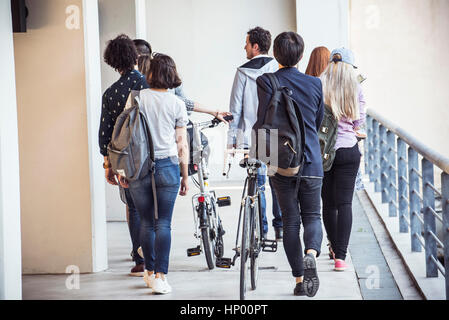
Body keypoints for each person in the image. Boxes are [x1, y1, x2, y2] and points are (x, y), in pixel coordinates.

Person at [255, 31, 324, 297]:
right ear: (301, 55)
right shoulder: (315, 83)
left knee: (291, 221)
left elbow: (263, 121)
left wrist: (260, 154)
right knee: (313, 215)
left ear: (275, 54)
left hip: (281, 161)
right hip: (311, 160)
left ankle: (298, 280)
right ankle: (311, 254)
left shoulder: (265, 81)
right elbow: (317, 122)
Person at [121, 53, 189, 294]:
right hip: (168, 167)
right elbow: (182, 145)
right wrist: (184, 175)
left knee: (146, 222)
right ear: (171, 74)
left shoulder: (136, 98)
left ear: (149, 73)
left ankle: (149, 272)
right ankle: (161, 275)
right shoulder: (176, 104)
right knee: (164, 224)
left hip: (138, 168)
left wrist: (122, 168)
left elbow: (126, 136)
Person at [99, 34, 149, 276]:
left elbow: (105, 134)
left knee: (134, 208)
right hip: (152, 157)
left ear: (113, 62)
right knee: (153, 207)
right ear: (135, 57)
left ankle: (139, 260)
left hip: (126, 161)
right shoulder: (150, 85)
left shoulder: (110, 93)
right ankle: (155, 259)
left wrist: (108, 164)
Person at [227, 26, 283, 240]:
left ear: (255, 46)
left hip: (253, 137)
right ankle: (280, 226)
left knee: (258, 183)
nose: (245, 47)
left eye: (247, 43)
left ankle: (262, 228)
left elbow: (235, 109)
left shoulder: (242, 72)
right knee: (276, 181)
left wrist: (233, 140)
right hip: (276, 134)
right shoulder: (277, 68)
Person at [319, 48, 366, 271]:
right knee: (345, 204)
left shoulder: (320, 84)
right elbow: (359, 123)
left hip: (325, 152)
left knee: (327, 203)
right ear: (350, 66)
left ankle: (333, 246)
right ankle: (340, 257)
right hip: (349, 150)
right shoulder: (356, 87)